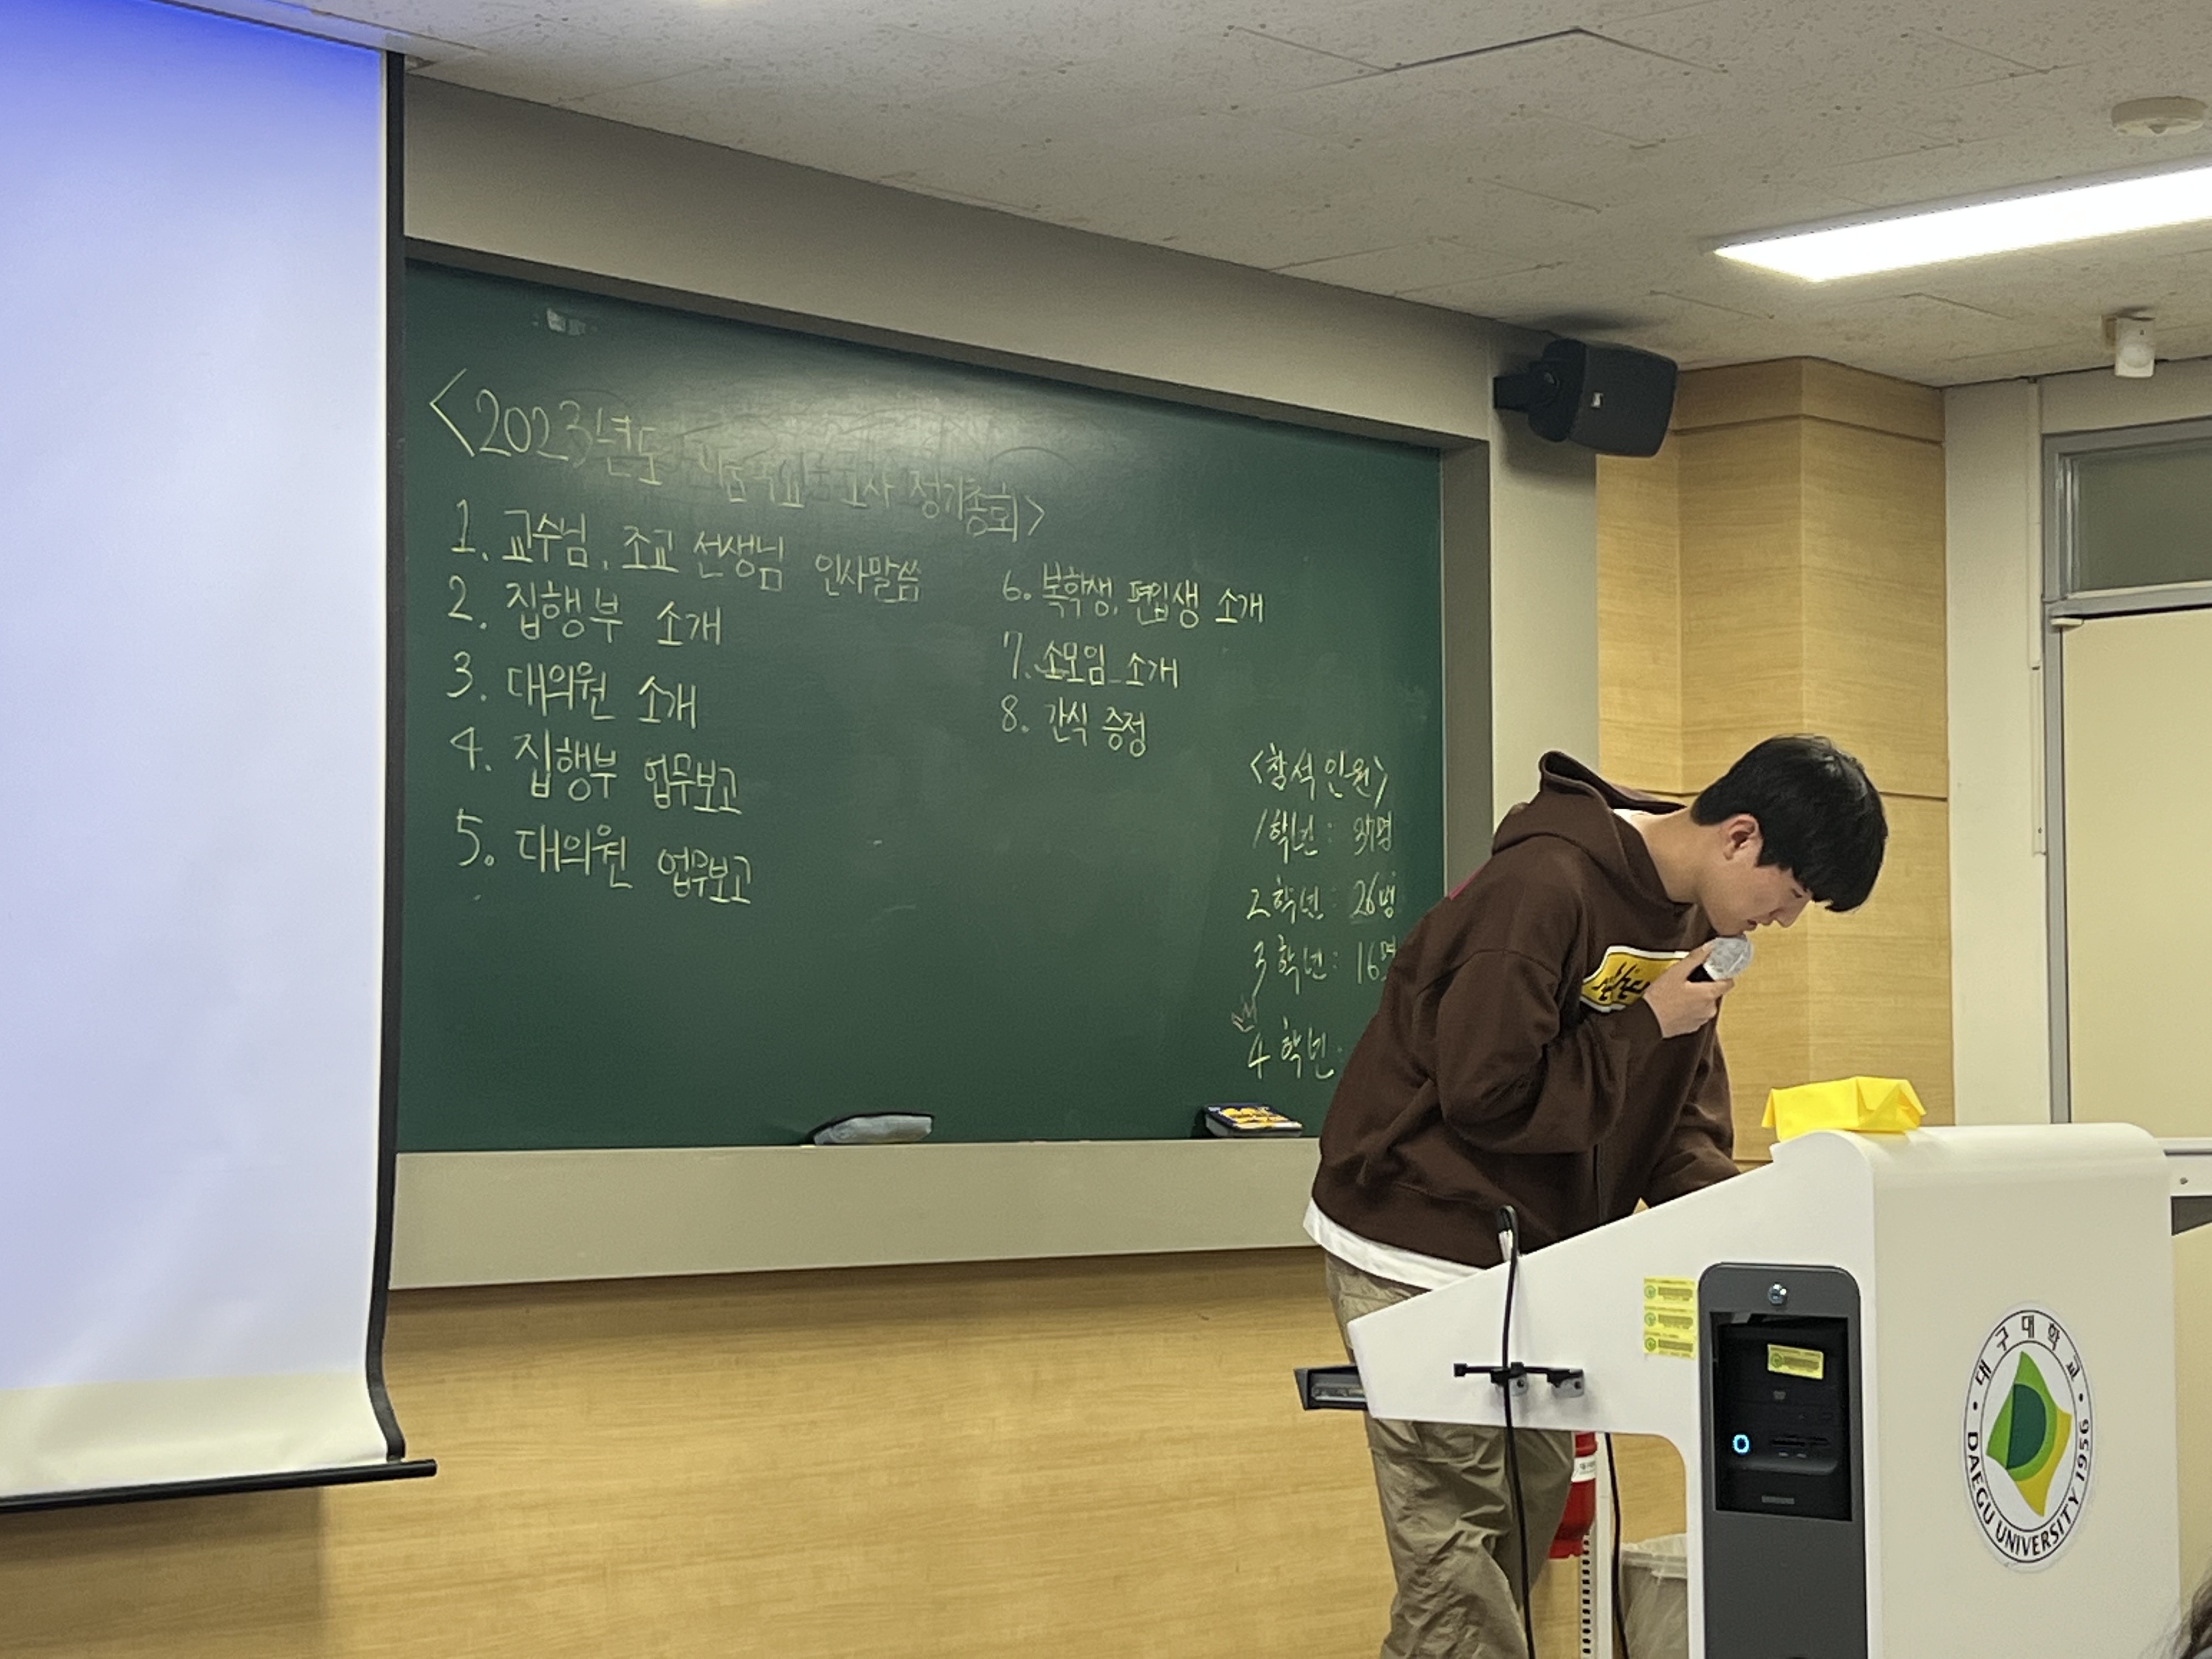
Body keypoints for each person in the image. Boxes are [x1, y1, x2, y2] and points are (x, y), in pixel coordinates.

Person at [1307, 736, 1887, 1659]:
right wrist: (1645, 1024)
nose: (1786, 919)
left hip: (1535, 1266)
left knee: (1516, 1527)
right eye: (1794, 892)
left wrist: (1761, 1237)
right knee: (1457, 1559)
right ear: (1741, 836)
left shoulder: (1700, 928)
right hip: (1417, 1239)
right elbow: (1484, 1093)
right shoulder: (1543, 886)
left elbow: (1678, 1126)